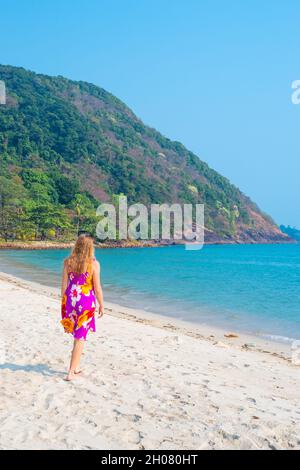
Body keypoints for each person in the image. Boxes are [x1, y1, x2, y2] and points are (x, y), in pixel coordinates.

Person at [61, 234, 104, 381]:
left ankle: (76, 366)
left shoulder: (68, 262)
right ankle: (71, 372)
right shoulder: (93, 264)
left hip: (71, 300)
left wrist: (65, 303)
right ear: (90, 247)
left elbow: (64, 286)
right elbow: (97, 288)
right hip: (86, 302)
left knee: (77, 335)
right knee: (80, 337)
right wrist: (102, 304)